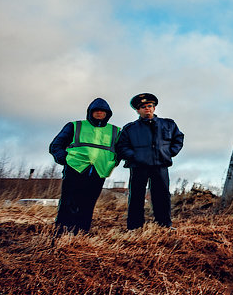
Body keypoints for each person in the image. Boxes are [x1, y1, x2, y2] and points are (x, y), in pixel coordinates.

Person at [48, 98, 121, 235]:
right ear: (90, 112)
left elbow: (121, 150)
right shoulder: (75, 126)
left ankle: (81, 232)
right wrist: (65, 159)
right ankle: (62, 232)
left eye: (102, 111)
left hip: (99, 171)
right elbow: (56, 145)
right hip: (75, 168)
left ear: (107, 113)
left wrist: (113, 163)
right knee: (68, 202)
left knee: (88, 203)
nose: (99, 113)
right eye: (96, 110)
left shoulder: (115, 131)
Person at [116, 93, 184, 230]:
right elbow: (121, 146)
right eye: (143, 107)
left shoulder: (168, 124)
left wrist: (169, 153)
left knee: (162, 195)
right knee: (136, 196)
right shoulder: (130, 128)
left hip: (160, 165)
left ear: (154, 107)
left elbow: (178, 138)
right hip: (138, 166)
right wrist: (134, 156)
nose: (147, 108)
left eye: (149, 106)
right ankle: (134, 227)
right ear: (137, 110)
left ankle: (164, 224)